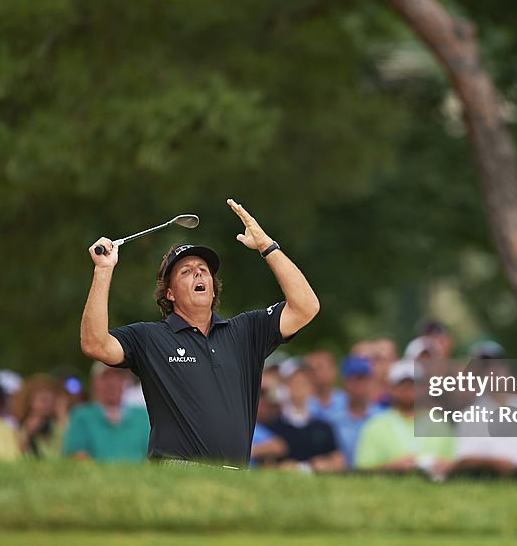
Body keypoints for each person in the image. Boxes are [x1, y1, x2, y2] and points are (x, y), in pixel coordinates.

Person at [80, 199, 320, 466]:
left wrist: (267, 246)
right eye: (186, 271)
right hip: (176, 471)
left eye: (203, 270)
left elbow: (306, 307)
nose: (198, 274)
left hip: (235, 477)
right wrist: (103, 271)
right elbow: (95, 344)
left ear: (213, 288)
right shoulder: (150, 337)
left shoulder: (246, 331)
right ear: (169, 294)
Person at [354, 360, 455, 480]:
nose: (408, 388)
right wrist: (391, 469)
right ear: (391, 388)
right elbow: (362, 473)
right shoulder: (375, 426)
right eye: (402, 383)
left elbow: (456, 462)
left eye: (414, 383)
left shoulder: (440, 423)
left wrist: (447, 466)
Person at [62, 363, 150, 463]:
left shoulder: (142, 416)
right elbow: (75, 455)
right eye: (105, 378)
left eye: (118, 377)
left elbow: (154, 456)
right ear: (94, 383)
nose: (112, 383)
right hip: (95, 477)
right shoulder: (81, 416)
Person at [265, 364, 345, 472]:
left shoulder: (324, 427)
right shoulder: (273, 426)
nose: (299, 388)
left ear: (311, 388)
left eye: (303, 383)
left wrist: (326, 465)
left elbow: (339, 461)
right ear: (286, 387)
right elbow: (265, 464)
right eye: (294, 383)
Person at [10, 374, 69, 458]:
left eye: (52, 400)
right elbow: (16, 454)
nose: (49, 404)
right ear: (30, 402)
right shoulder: (19, 427)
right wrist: (28, 434)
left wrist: (62, 415)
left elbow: (71, 445)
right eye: (43, 400)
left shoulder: (57, 424)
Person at [305, 350, 347, 421]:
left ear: (334, 371)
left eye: (321, 367)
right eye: (312, 369)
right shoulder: (303, 402)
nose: (317, 373)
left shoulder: (347, 401)